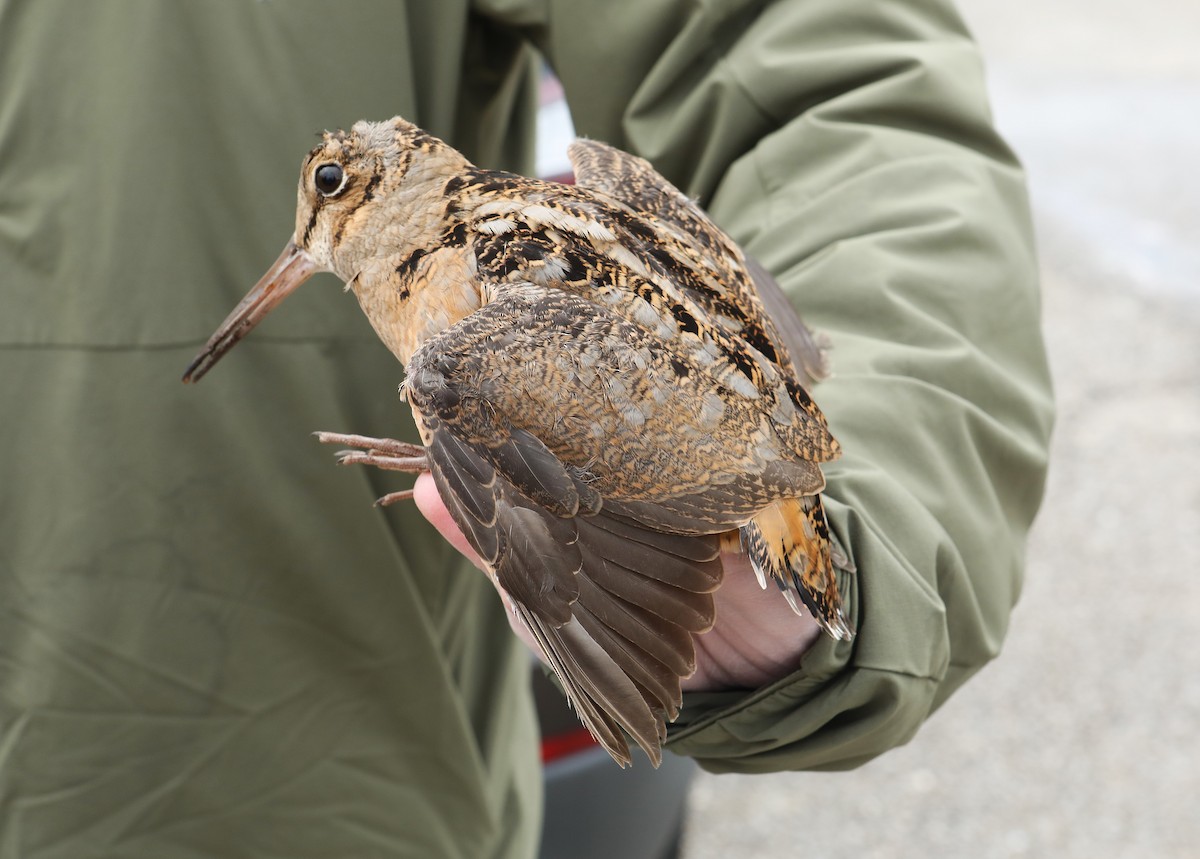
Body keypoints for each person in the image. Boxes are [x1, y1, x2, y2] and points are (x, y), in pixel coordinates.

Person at [0, 1, 1053, 856]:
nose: (301, 248)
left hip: (338, 806)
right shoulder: (464, 309)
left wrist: (859, 537)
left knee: (468, 389)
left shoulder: (465, 311)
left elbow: (819, 78)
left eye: (323, 195)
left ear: (370, 188)